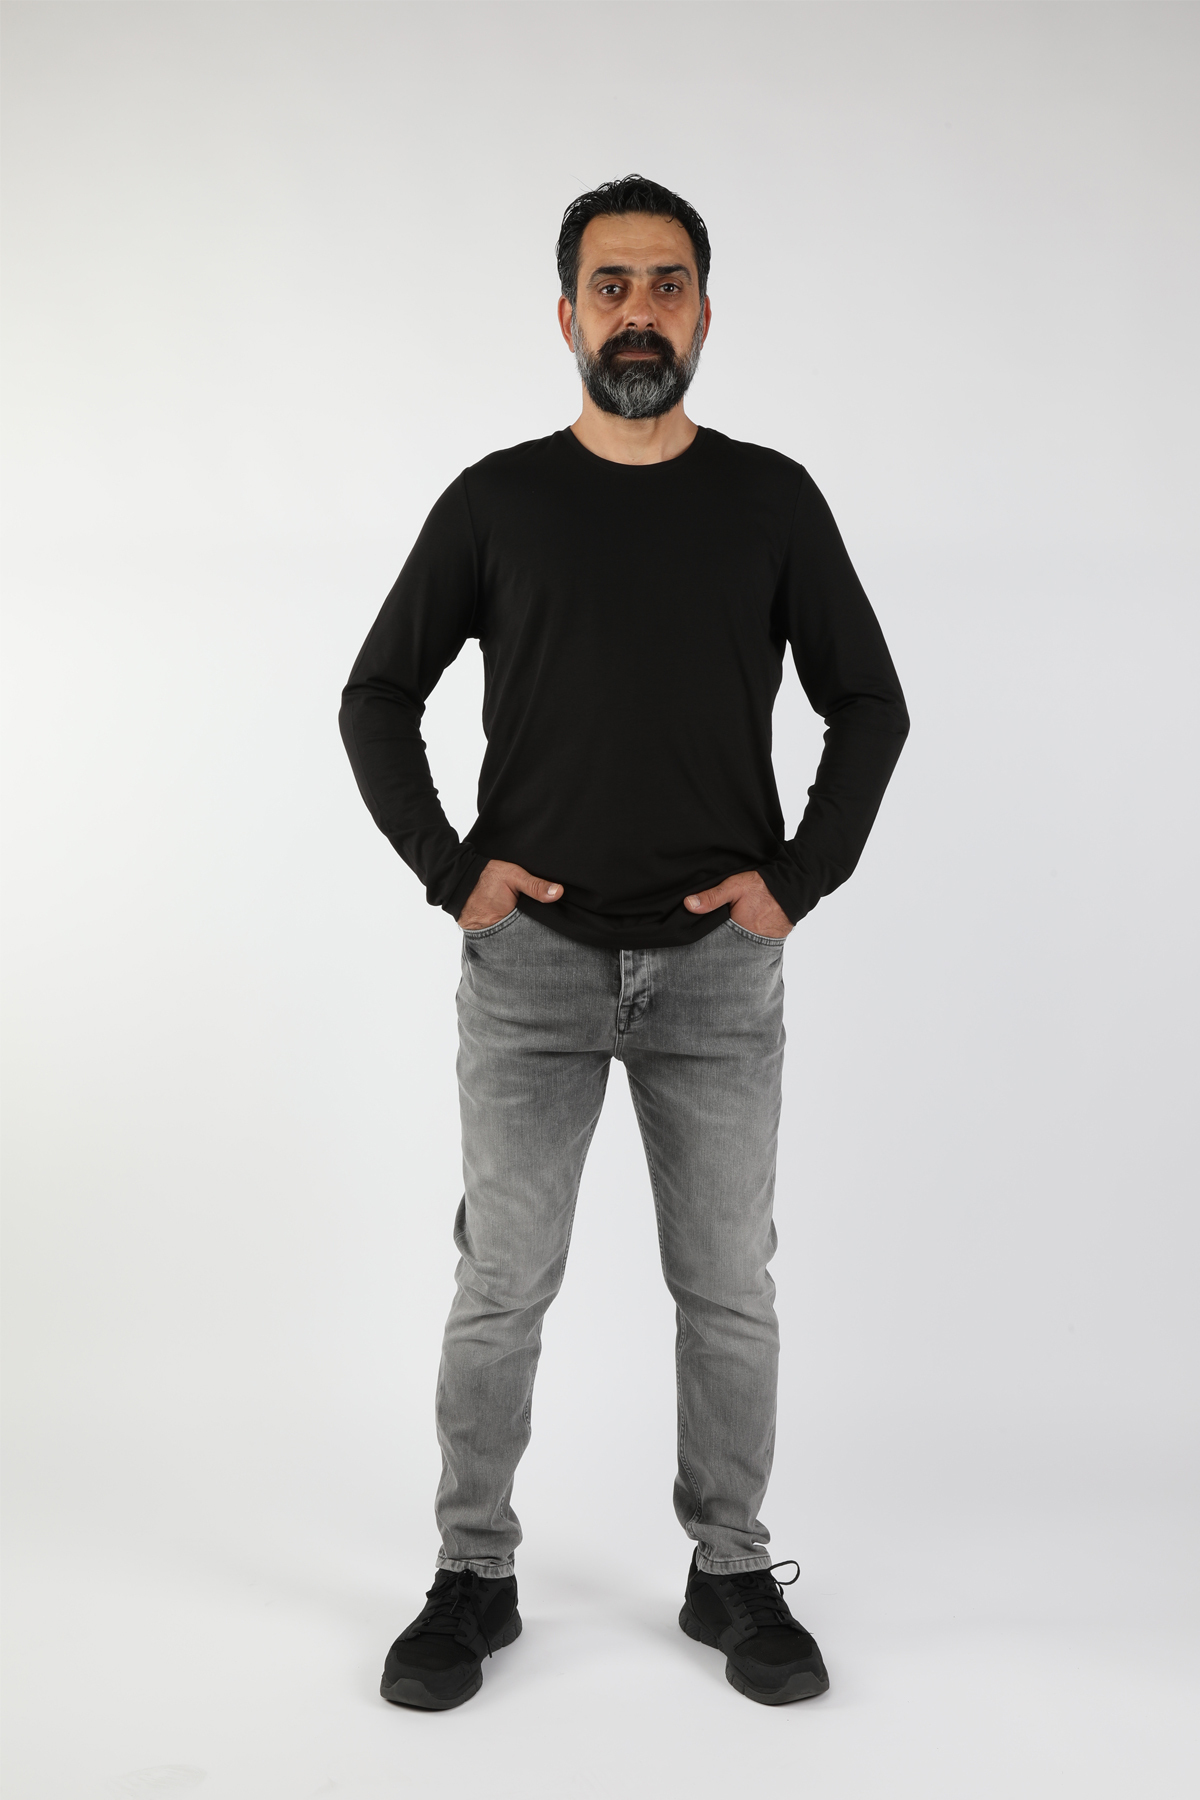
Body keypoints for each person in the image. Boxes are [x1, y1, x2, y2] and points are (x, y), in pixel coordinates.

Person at [339, 174, 909, 1711]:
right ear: (567, 317)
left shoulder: (771, 501)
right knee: (501, 1283)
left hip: (719, 974)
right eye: (612, 287)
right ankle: (473, 1573)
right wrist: (453, 871)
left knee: (727, 1286)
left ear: (705, 314)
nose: (639, 313)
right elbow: (376, 696)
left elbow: (870, 704)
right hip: (529, 969)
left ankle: (730, 1570)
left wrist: (799, 878)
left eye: (666, 286)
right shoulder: (497, 503)